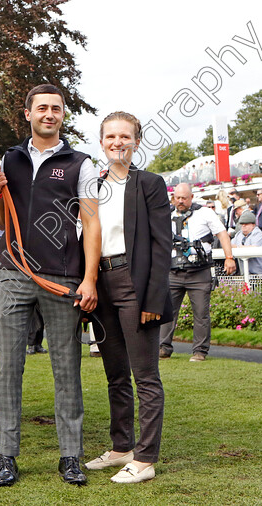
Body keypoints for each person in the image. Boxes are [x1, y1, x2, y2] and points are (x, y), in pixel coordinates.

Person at [0, 84, 99, 486]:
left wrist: (89, 278)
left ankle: (70, 456)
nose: (49, 114)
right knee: (8, 369)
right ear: (28, 114)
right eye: (42, 108)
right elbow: (0, 219)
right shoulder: (9, 159)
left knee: (66, 369)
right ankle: (7, 457)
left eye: (56, 109)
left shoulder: (80, 162)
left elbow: (90, 222)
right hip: (13, 273)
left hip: (62, 277)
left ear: (62, 116)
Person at [86, 111, 172, 484]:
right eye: (110, 137)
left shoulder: (150, 183)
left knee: (145, 377)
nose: (117, 143)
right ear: (101, 143)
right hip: (99, 283)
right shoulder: (93, 186)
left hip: (134, 286)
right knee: (115, 375)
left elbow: (161, 246)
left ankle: (146, 458)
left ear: (136, 141)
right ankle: (122, 447)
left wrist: (153, 300)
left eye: (125, 136)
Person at [159, 183, 236, 362]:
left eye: (184, 198)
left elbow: (222, 234)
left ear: (191, 197)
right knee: (167, 311)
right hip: (173, 272)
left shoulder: (205, 213)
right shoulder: (165, 214)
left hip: (199, 272)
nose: (180, 201)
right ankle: (163, 347)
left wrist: (229, 257)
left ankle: (200, 351)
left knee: (201, 313)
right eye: (177, 198)